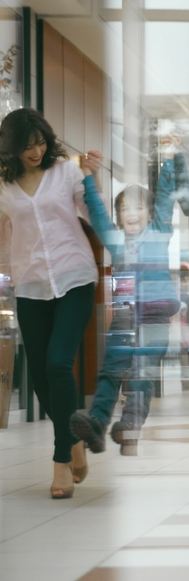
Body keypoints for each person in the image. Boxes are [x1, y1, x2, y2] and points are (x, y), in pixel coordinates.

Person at [0, 108, 101, 498]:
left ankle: (61, 462)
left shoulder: (65, 171)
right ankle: (73, 436)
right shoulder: (5, 186)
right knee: (40, 375)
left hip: (74, 276)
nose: (36, 151)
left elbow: (91, 212)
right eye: (27, 146)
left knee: (59, 362)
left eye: (41, 142)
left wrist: (91, 178)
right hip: (30, 285)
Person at [69, 135, 184, 454]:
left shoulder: (159, 233)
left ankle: (130, 424)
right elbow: (98, 214)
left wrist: (169, 158)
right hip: (124, 316)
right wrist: (88, 177)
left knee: (141, 372)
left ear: (150, 215)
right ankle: (97, 422)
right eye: (125, 208)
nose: (131, 213)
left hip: (156, 316)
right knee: (111, 370)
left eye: (138, 208)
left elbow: (166, 198)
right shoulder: (116, 242)